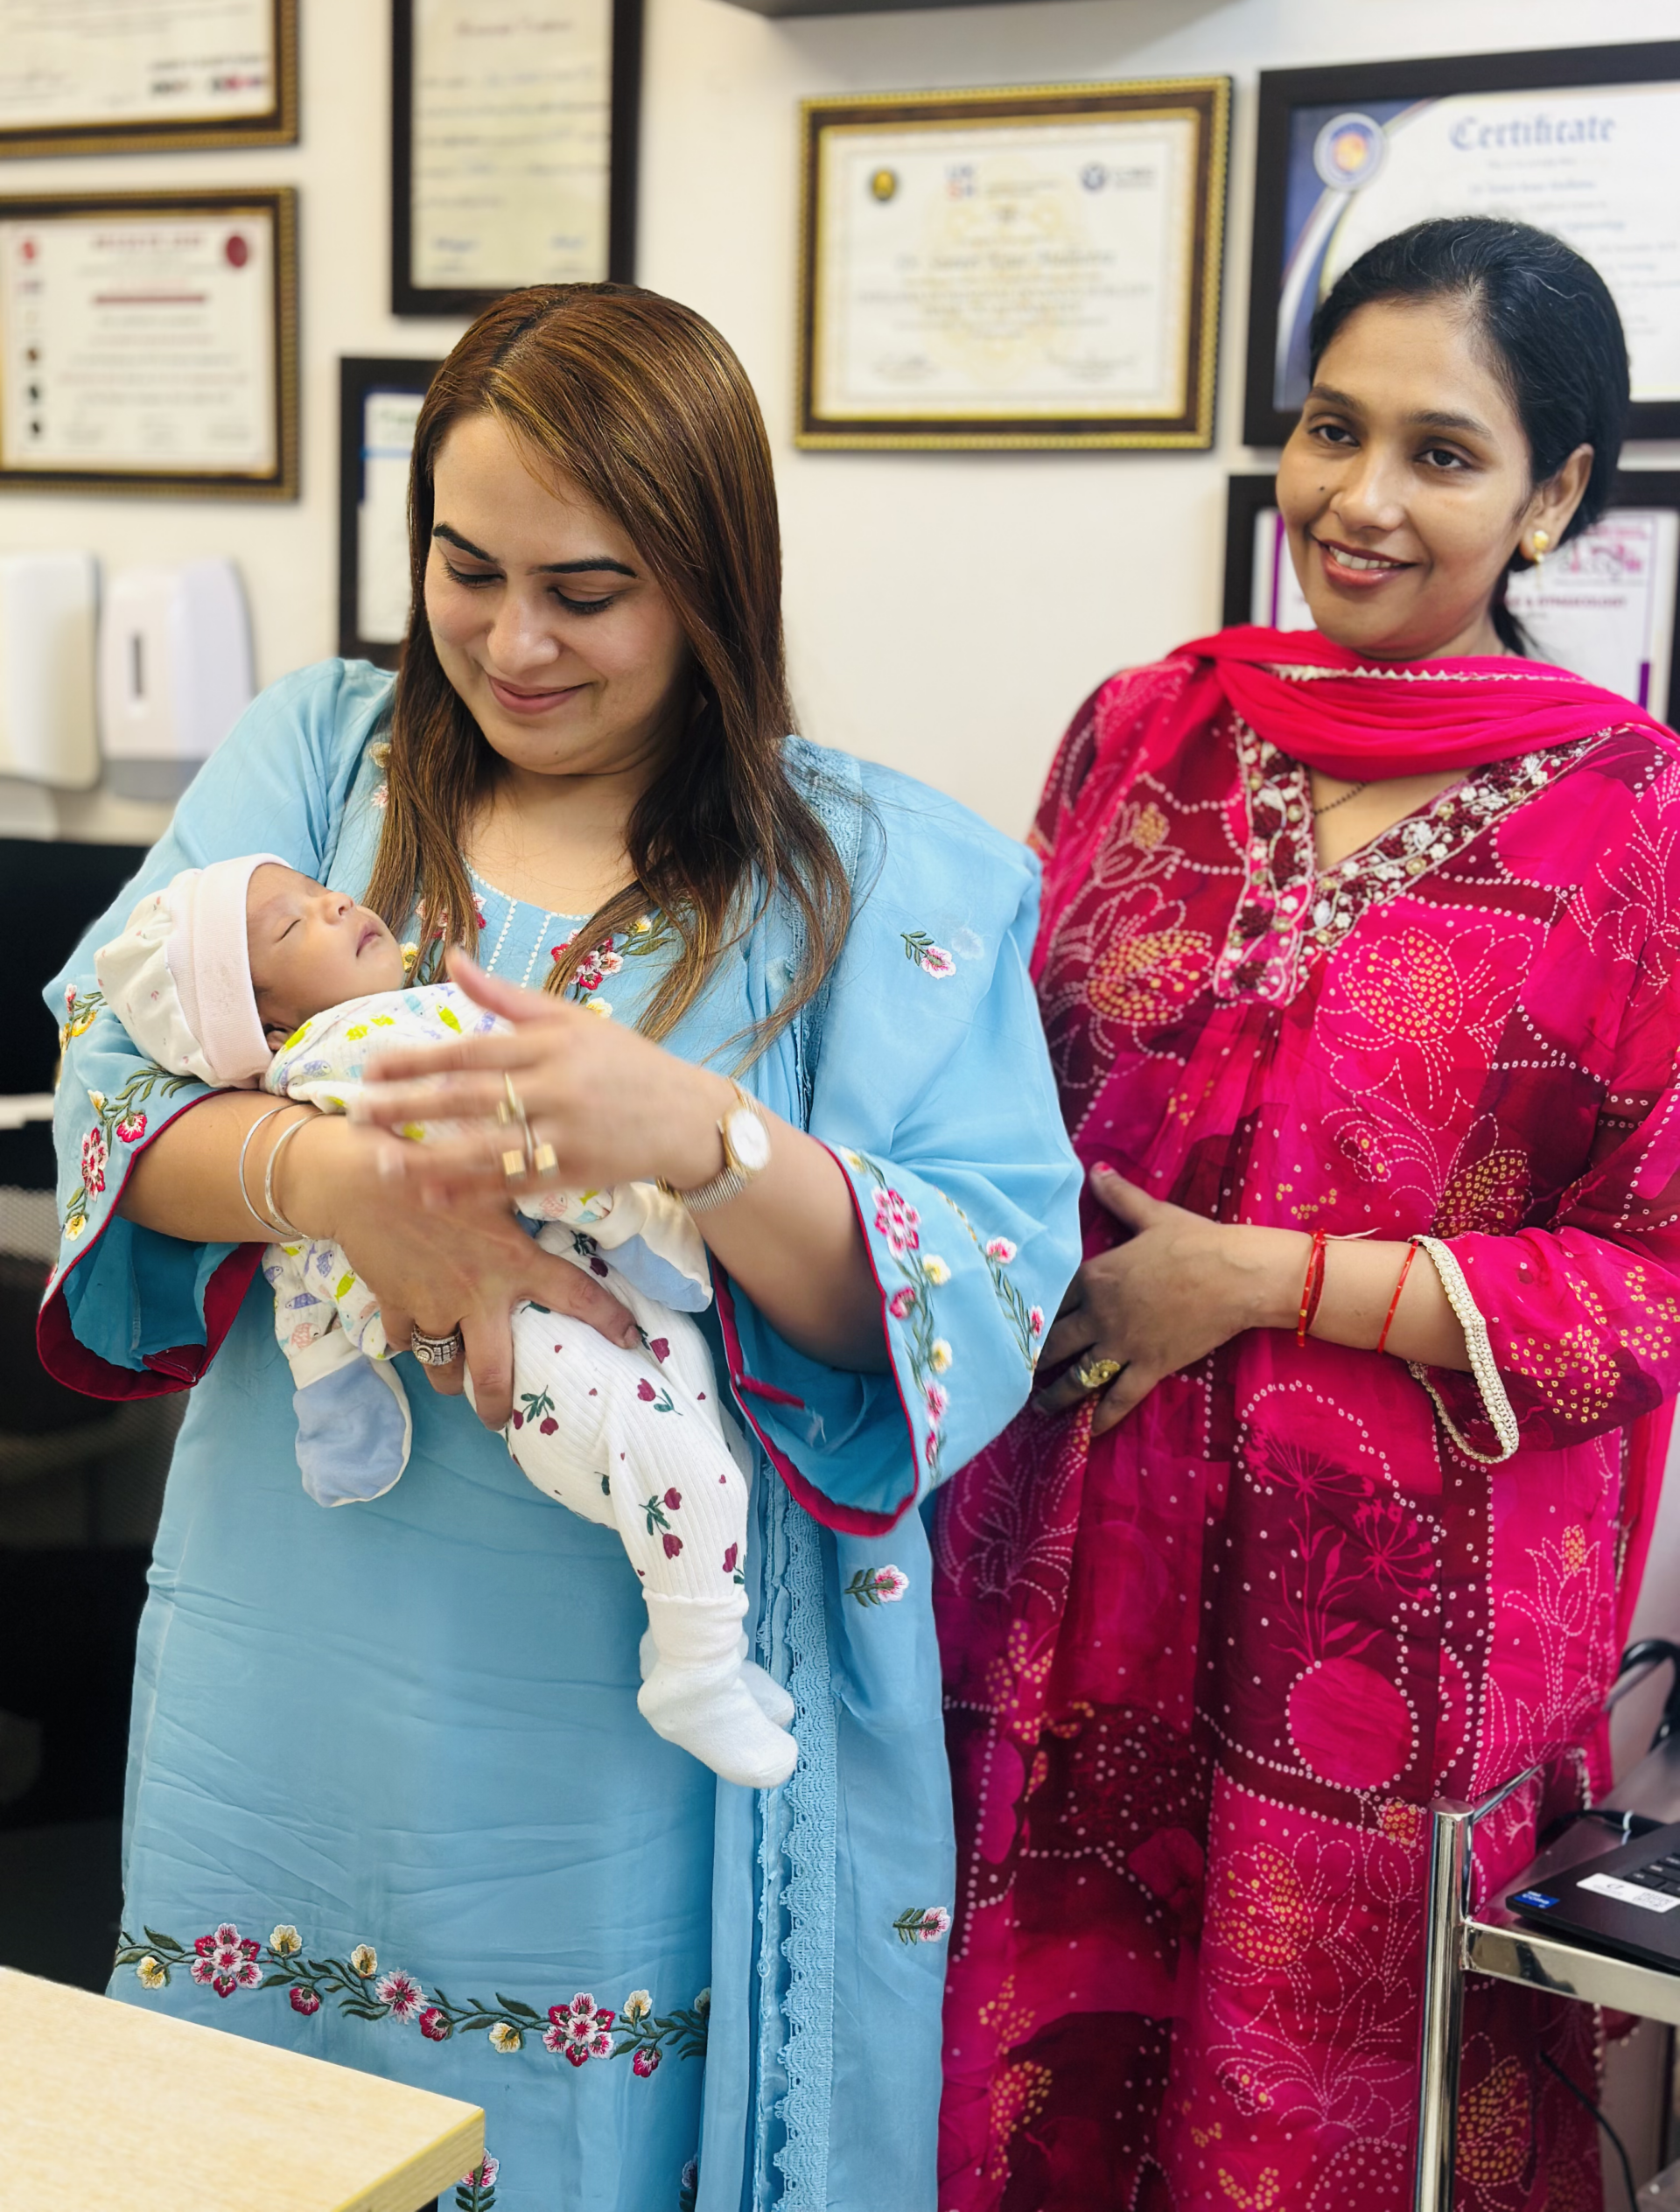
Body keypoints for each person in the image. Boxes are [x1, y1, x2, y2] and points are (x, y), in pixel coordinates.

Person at [42, 282, 1082, 2210]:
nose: (513, 643)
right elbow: (112, 1087)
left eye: (585, 592)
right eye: (468, 569)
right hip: (289, 1657)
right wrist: (343, 1189)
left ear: (710, 583)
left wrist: (701, 1136)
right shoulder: (322, 765)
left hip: (624, 1718)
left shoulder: (883, 879)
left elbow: (971, 1293)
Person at [934, 215, 1680, 2210]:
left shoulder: (1640, 820)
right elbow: (983, 1077)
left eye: (1441, 453)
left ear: (1554, 494)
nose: (1360, 499)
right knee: (1012, 2087)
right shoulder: (1143, 728)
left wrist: (1258, 1278)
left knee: (1310, 2128)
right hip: (1054, 1563)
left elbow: (1655, 1278)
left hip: (1370, 1650)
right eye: (1333, 431)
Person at [93, 853, 797, 1789]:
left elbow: (300, 1294)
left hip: (559, 1289)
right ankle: (697, 1677)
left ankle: (700, 1649)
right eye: (293, 924)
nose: (336, 901)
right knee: (689, 1469)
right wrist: (628, 1222)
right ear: (265, 1027)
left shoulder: (355, 1055)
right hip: (524, 1331)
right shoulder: (354, 1051)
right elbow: (502, 1144)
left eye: (318, 891)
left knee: (705, 1435)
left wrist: (340, 1402)